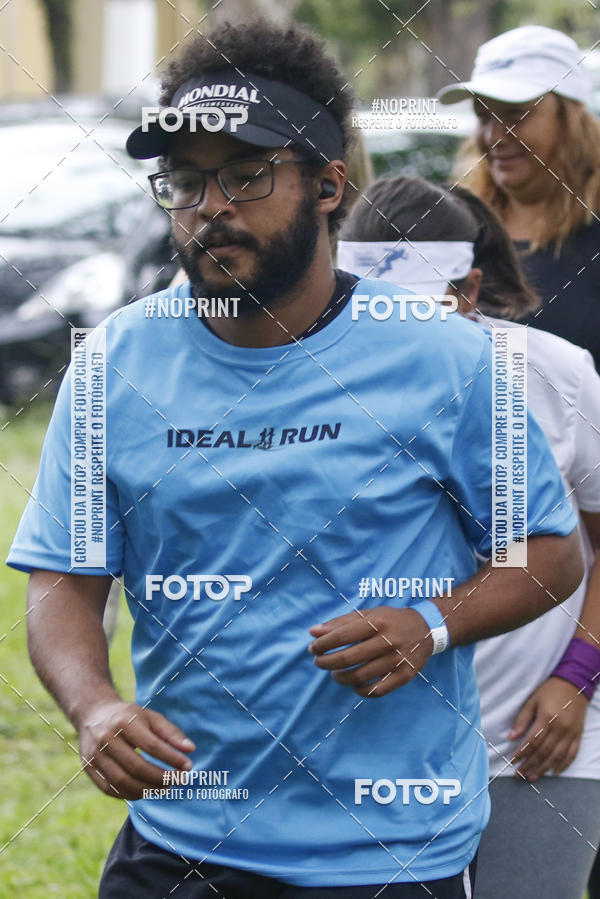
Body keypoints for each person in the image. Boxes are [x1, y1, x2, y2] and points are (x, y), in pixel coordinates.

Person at [7, 20, 584, 899]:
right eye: (185, 182)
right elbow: (62, 573)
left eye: (246, 174)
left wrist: (432, 622)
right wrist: (95, 705)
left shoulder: (444, 357)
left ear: (327, 184)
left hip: (394, 851)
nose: (211, 207)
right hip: (184, 840)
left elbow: (550, 552)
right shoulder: (115, 364)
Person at [338, 173, 600, 899]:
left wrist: (576, 676)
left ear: (469, 288)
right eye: (369, 305)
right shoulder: (317, 384)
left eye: (420, 307)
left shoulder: (554, 373)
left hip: (535, 735)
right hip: (383, 745)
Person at [437, 25, 600, 372]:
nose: (495, 136)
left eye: (516, 113)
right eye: (483, 116)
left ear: (570, 118)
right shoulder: (457, 230)